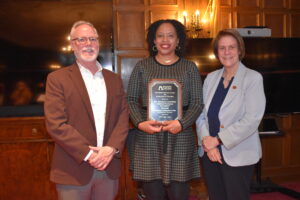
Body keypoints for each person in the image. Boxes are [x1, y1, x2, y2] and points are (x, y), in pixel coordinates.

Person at [44, 21, 128, 200]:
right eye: (81, 39)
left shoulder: (114, 79)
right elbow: (56, 124)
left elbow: (122, 117)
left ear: (98, 43)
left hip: (108, 167)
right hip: (73, 169)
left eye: (92, 39)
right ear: (73, 45)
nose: (88, 44)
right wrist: (89, 154)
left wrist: (111, 149)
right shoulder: (57, 79)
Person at [127, 19, 203, 200]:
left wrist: (182, 123)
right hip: (148, 137)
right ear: (153, 41)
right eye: (160, 36)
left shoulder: (189, 67)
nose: (165, 40)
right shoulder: (142, 66)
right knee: (153, 193)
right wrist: (140, 123)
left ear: (178, 41)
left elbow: (198, 102)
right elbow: (129, 99)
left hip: (180, 136)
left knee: (179, 194)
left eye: (170, 35)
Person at [196, 29, 266, 200]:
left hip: (237, 153)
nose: (227, 52)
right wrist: (207, 142)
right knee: (215, 196)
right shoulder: (211, 78)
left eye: (231, 47)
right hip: (209, 152)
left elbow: (252, 119)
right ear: (216, 52)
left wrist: (217, 140)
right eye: (222, 48)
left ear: (240, 50)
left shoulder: (252, 78)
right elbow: (201, 114)